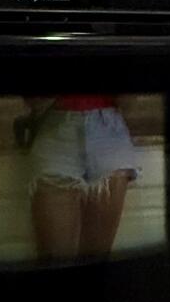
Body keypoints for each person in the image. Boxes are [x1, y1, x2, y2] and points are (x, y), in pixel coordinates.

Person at [17, 96, 139, 259]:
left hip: (109, 131)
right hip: (57, 128)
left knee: (97, 258)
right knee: (54, 259)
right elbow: (33, 102)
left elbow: (129, 103)